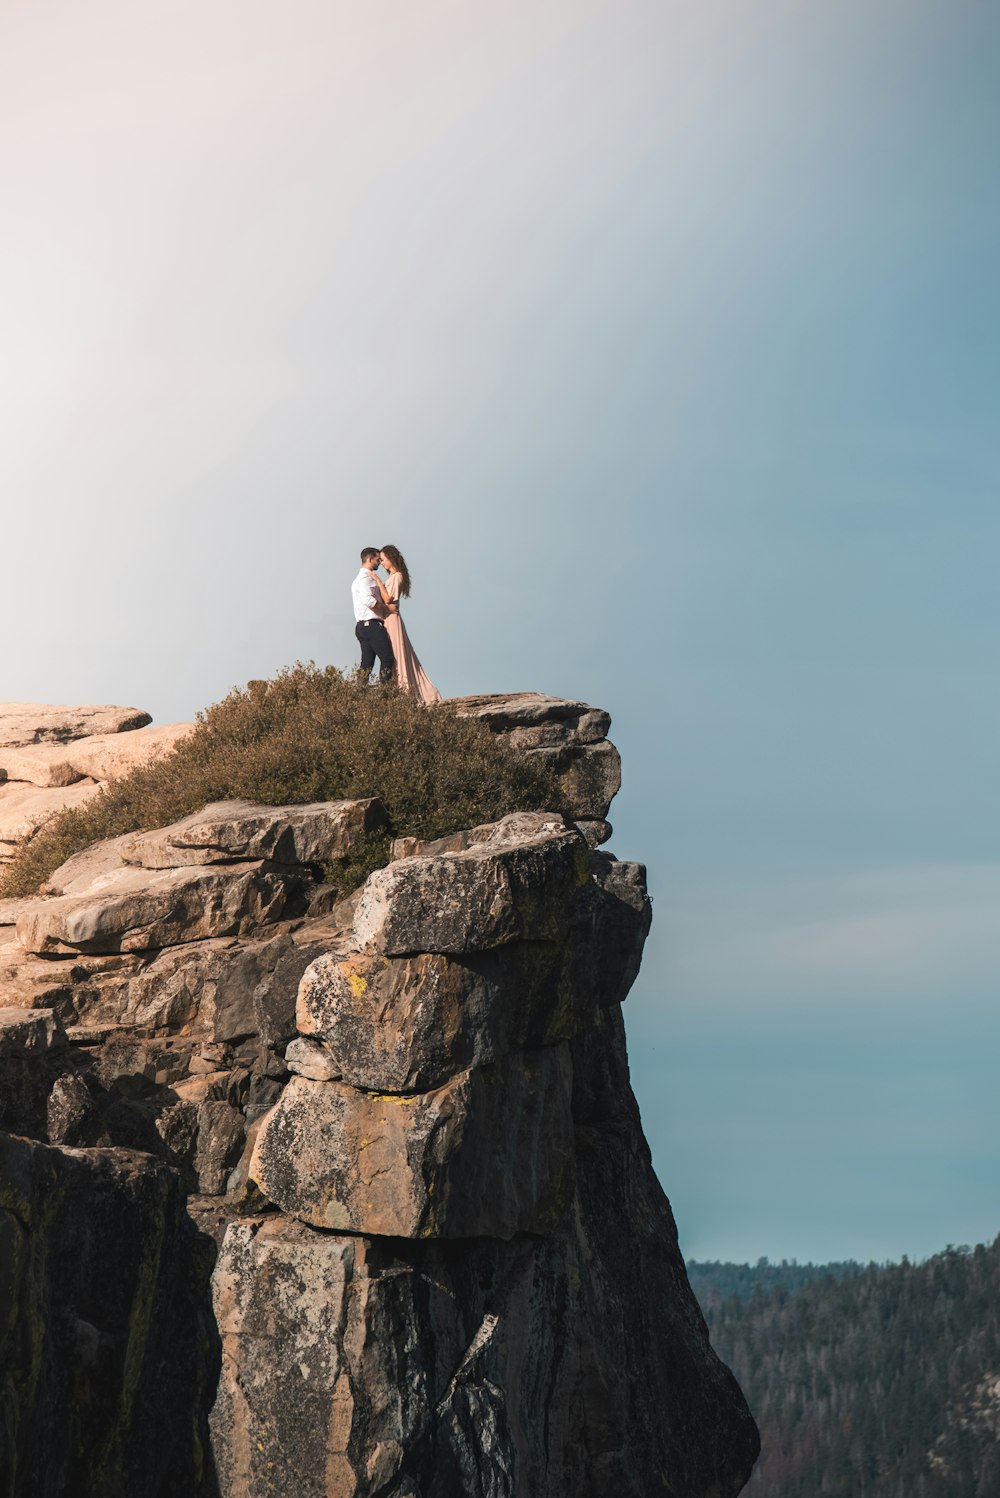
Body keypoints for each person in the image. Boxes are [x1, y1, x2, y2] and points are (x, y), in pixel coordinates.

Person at [379, 545, 441, 703]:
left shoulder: (396, 577)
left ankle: (405, 691)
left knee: (396, 654)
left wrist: (377, 582)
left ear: (390, 558)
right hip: (389, 619)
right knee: (394, 654)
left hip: (391, 619)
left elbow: (390, 601)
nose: (381, 563)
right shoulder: (394, 577)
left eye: (383, 559)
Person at [351, 547, 395, 683]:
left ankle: (359, 694)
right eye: (377, 560)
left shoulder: (358, 579)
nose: (379, 563)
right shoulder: (366, 578)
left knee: (367, 664)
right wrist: (387, 608)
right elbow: (369, 601)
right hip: (371, 625)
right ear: (370, 560)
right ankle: (385, 695)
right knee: (387, 658)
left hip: (362, 626)